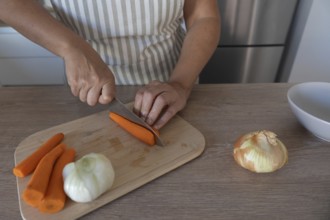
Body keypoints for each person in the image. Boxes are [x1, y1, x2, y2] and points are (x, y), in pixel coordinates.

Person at [0, 0, 220, 129]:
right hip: (86, 95)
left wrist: (180, 84)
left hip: (175, 84)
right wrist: (70, 47)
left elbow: (203, 16)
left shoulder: (179, 84)